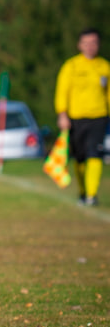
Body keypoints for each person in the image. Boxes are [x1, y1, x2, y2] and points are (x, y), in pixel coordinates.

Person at [54, 28, 110, 207]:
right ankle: (83, 191)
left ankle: (92, 194)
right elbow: (62, 92)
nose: (90, 46)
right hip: (76, 118)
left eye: (94, 42)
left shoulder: (104, 67)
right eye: (86, 43)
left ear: (98, 44)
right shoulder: (71, 66)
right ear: (80, 45)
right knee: (80, 156)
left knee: (95, 153)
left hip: (99, 116)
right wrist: (62, 114)